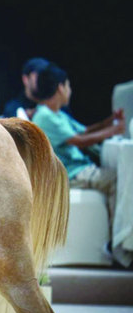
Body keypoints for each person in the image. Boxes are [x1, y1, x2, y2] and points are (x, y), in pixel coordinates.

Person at [31, 63, 124, 218]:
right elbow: (79, 141)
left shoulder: (57, 114)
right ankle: (117, 236)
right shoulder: (45, 116)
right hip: (71, 173)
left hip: (78, 169)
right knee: (116, 179)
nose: (70, 90)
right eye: (68, 86)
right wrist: (113, 130)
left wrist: (110, 121)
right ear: (60, 87)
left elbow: (84, 131)